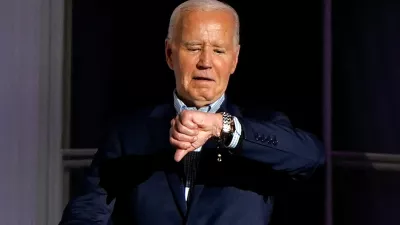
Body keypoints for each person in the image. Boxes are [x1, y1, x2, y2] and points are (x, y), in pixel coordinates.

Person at [59, 0, 325, 224]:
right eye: (193, 48)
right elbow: (86, 213)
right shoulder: (128, 134)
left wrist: (223, 127)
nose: (205, 62)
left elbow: (310, 156)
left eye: (219, 50)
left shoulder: (263, 125)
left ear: (234, 60)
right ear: (169, 54)